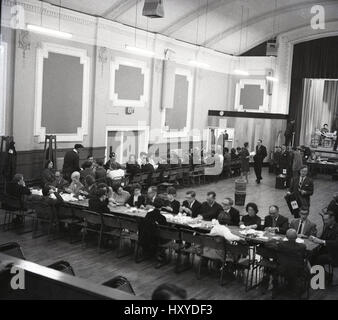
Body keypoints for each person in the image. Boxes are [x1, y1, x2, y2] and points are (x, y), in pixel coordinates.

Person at [267, 229, 308, 298]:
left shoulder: (281, 244)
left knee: (275, 267)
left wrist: (275, 240)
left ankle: (275, 290)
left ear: (286, 237)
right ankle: (297, 291)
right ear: (296, 237)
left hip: (282, 269)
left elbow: (268, 244)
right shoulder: (302, 246)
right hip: (297, 270)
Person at [138, 198, 167, 266]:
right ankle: (160, 255)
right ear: (162, 206)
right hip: (157, 238)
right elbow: (165, 229)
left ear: (153, 205)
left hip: (147, 236)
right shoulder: (162, 217)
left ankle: (149, 251)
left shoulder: (148, 214)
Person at [309, 211, 338, 280]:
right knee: (311, 254)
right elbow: (322, 238)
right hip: (326, 250)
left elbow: (336, 243)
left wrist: (321, 241)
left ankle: (319, 278)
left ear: (332, 218)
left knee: (319, 259)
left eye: (326, 220)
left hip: (334, 253)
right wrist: (314, 237)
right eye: (324, 220)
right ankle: (314, 274)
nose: (325, 222)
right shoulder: (327, 227)